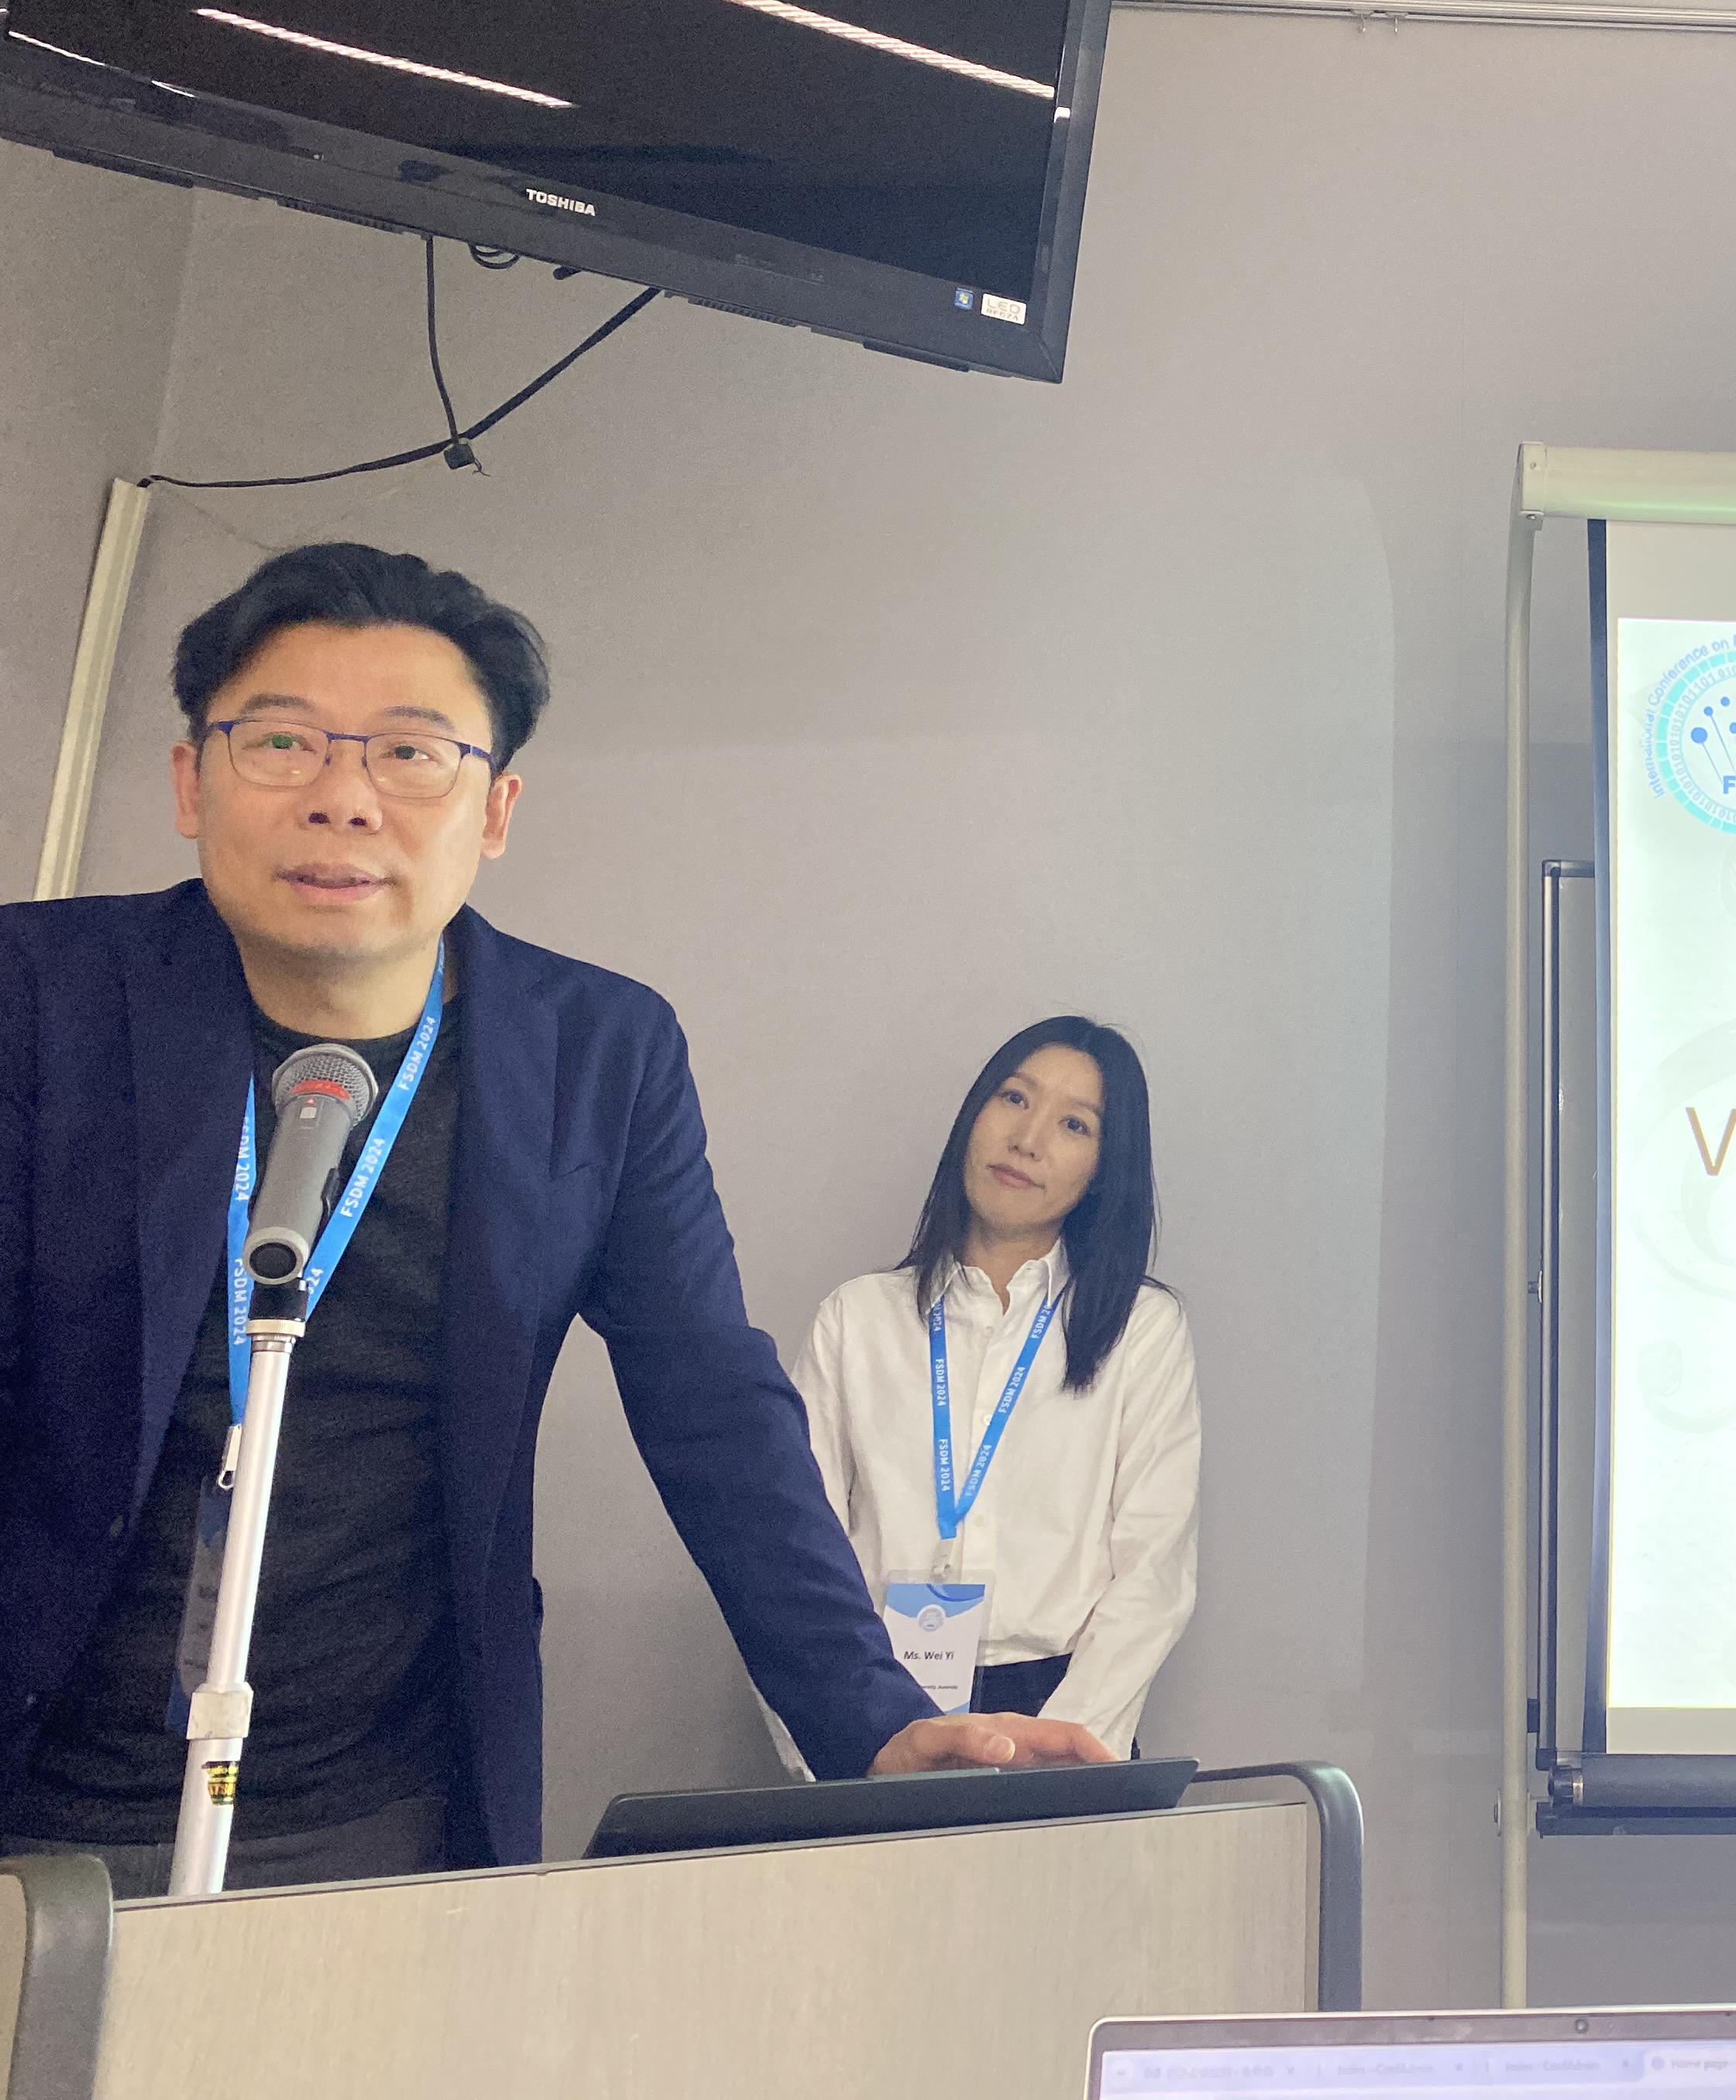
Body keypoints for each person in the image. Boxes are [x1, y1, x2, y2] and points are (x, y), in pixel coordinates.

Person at [0, 544, 1106, 1895]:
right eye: (281, 741)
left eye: (412, 753)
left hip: (377, 1805)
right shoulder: (37, 998)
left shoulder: (597, 1055)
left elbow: (711, 1402)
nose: (344, 796)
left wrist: (871, 1715)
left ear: (496, 808)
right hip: (37, 1779)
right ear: (191, 781)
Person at [780, 1021, 1199, 1765]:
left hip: (1064, 1705)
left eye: (1074, 1124)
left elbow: (1153, 1572)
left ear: (1105, 1168)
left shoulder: (1141, 1329)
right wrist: (849, 1747)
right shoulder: (857, 1319)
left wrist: (1060, 1754)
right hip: (883, 1706)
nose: (1028, 1139)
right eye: (1014, 1098)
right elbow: (794, 1557)